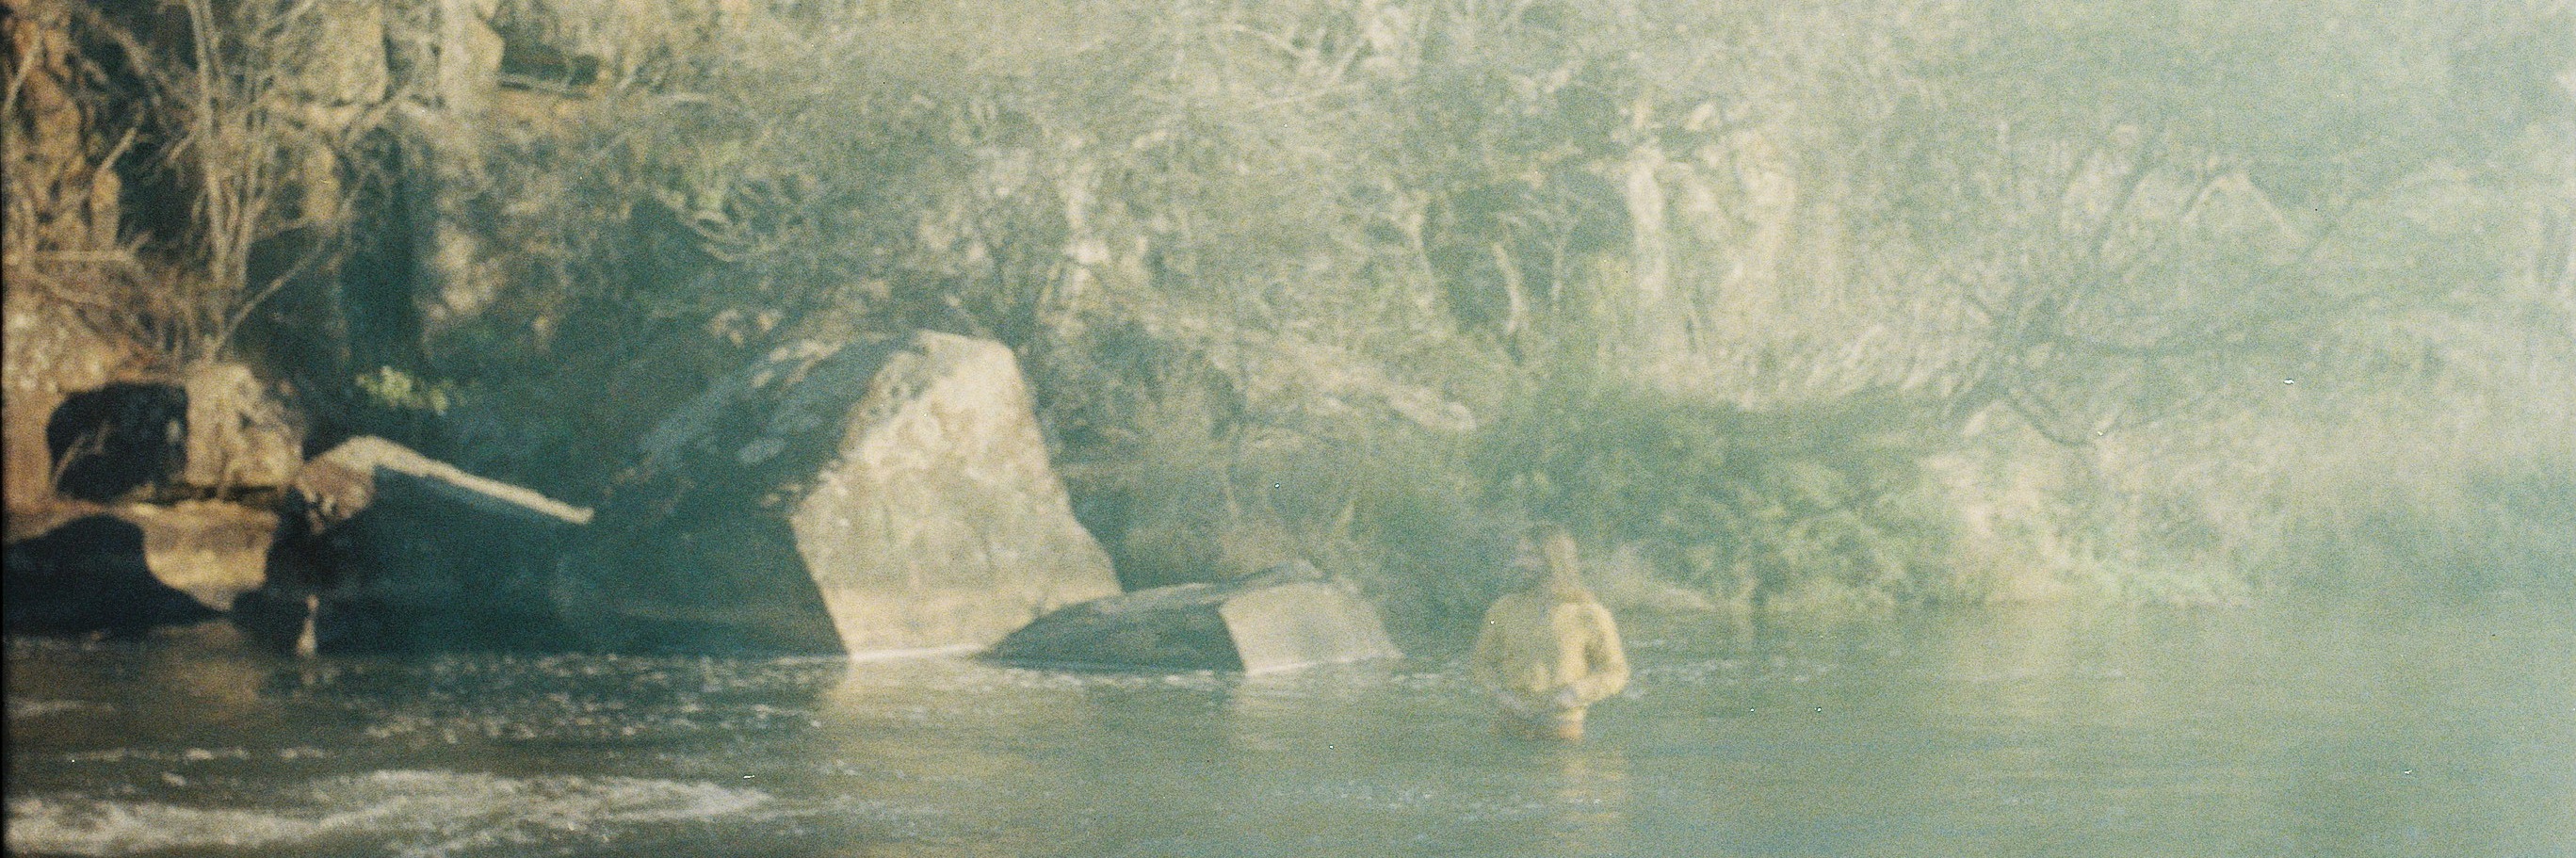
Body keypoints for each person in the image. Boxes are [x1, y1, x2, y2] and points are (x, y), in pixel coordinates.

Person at [1470, 525, 1629, 740]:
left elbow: (1615, 672)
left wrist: (1574, 694)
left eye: (1530, 556)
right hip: (1507, 727)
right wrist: (1501, 696)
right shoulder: (1501, 609)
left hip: (1562, 729)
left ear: (1554, 559)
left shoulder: (1590, 614)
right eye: (1520, 555)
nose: (1520, 563)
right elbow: (1482, 664)